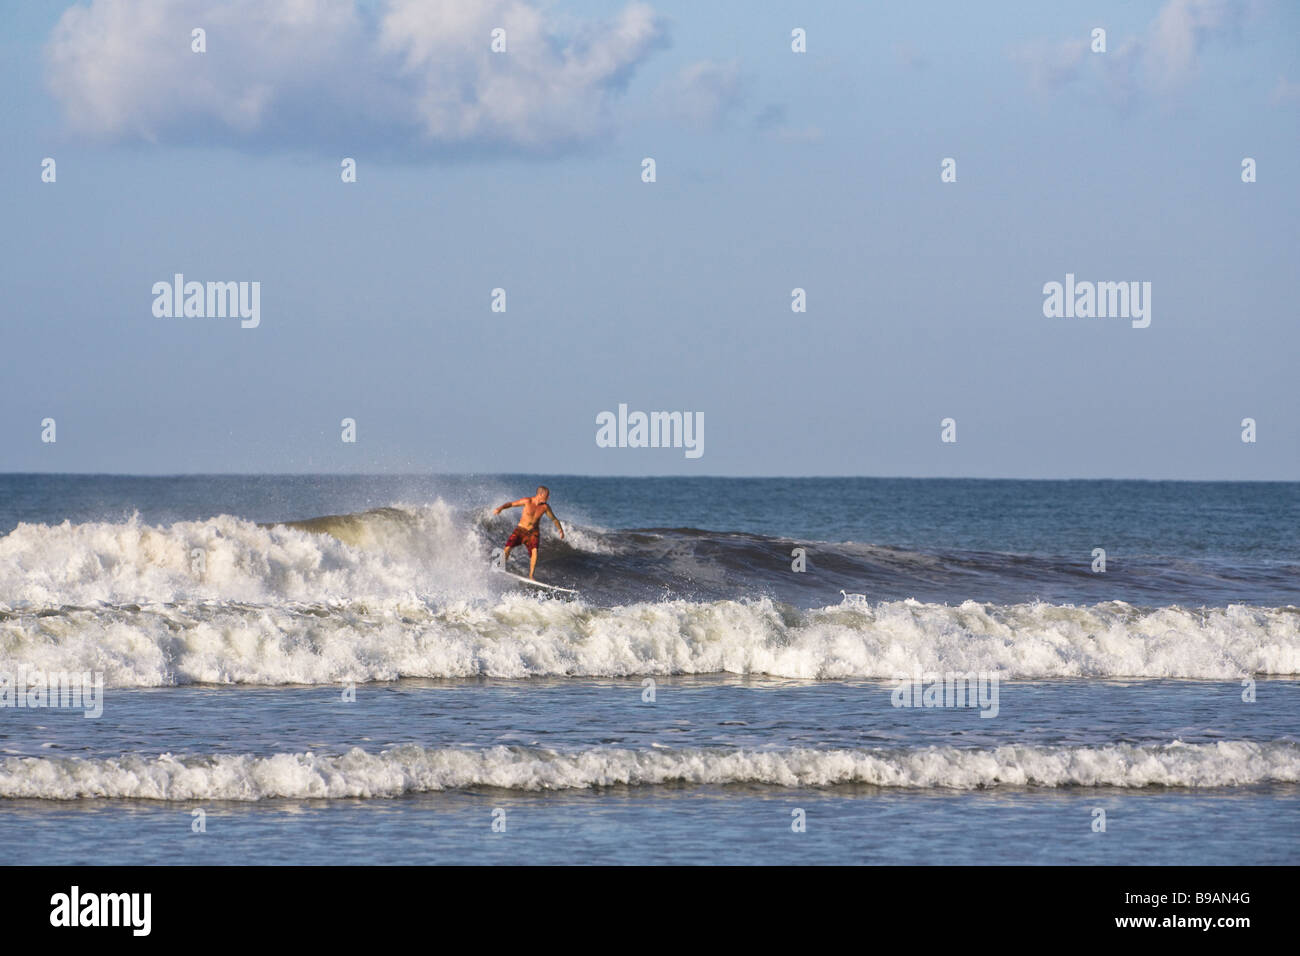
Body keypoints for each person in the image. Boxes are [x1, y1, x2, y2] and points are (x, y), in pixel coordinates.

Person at [493, 485, 564, 579]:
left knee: (535, 553)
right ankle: (500, 566)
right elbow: (511, 504)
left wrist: (560, 530)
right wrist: (500, 508)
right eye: (547, 496)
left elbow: (554, 519)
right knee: (507, 548)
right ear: (540, 494)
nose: (548, 498)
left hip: (533, 533)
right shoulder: (527, 501)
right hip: (520, 530)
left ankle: (531, 575)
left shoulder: (545, 507)